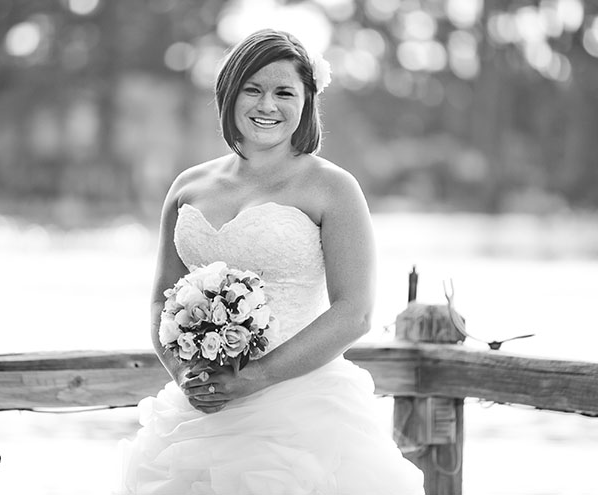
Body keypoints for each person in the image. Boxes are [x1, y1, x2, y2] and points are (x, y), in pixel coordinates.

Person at [115, 29, 425, 494]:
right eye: (253, 89)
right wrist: (184, 373)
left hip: (301, 412)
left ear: (306, 102)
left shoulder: (333, 189)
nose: (267, 105)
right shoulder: (187, 187)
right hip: (200, 411)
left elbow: (354, 313)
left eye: (284, 92)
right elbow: (162, 302)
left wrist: (254, 378)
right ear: (229, 95)